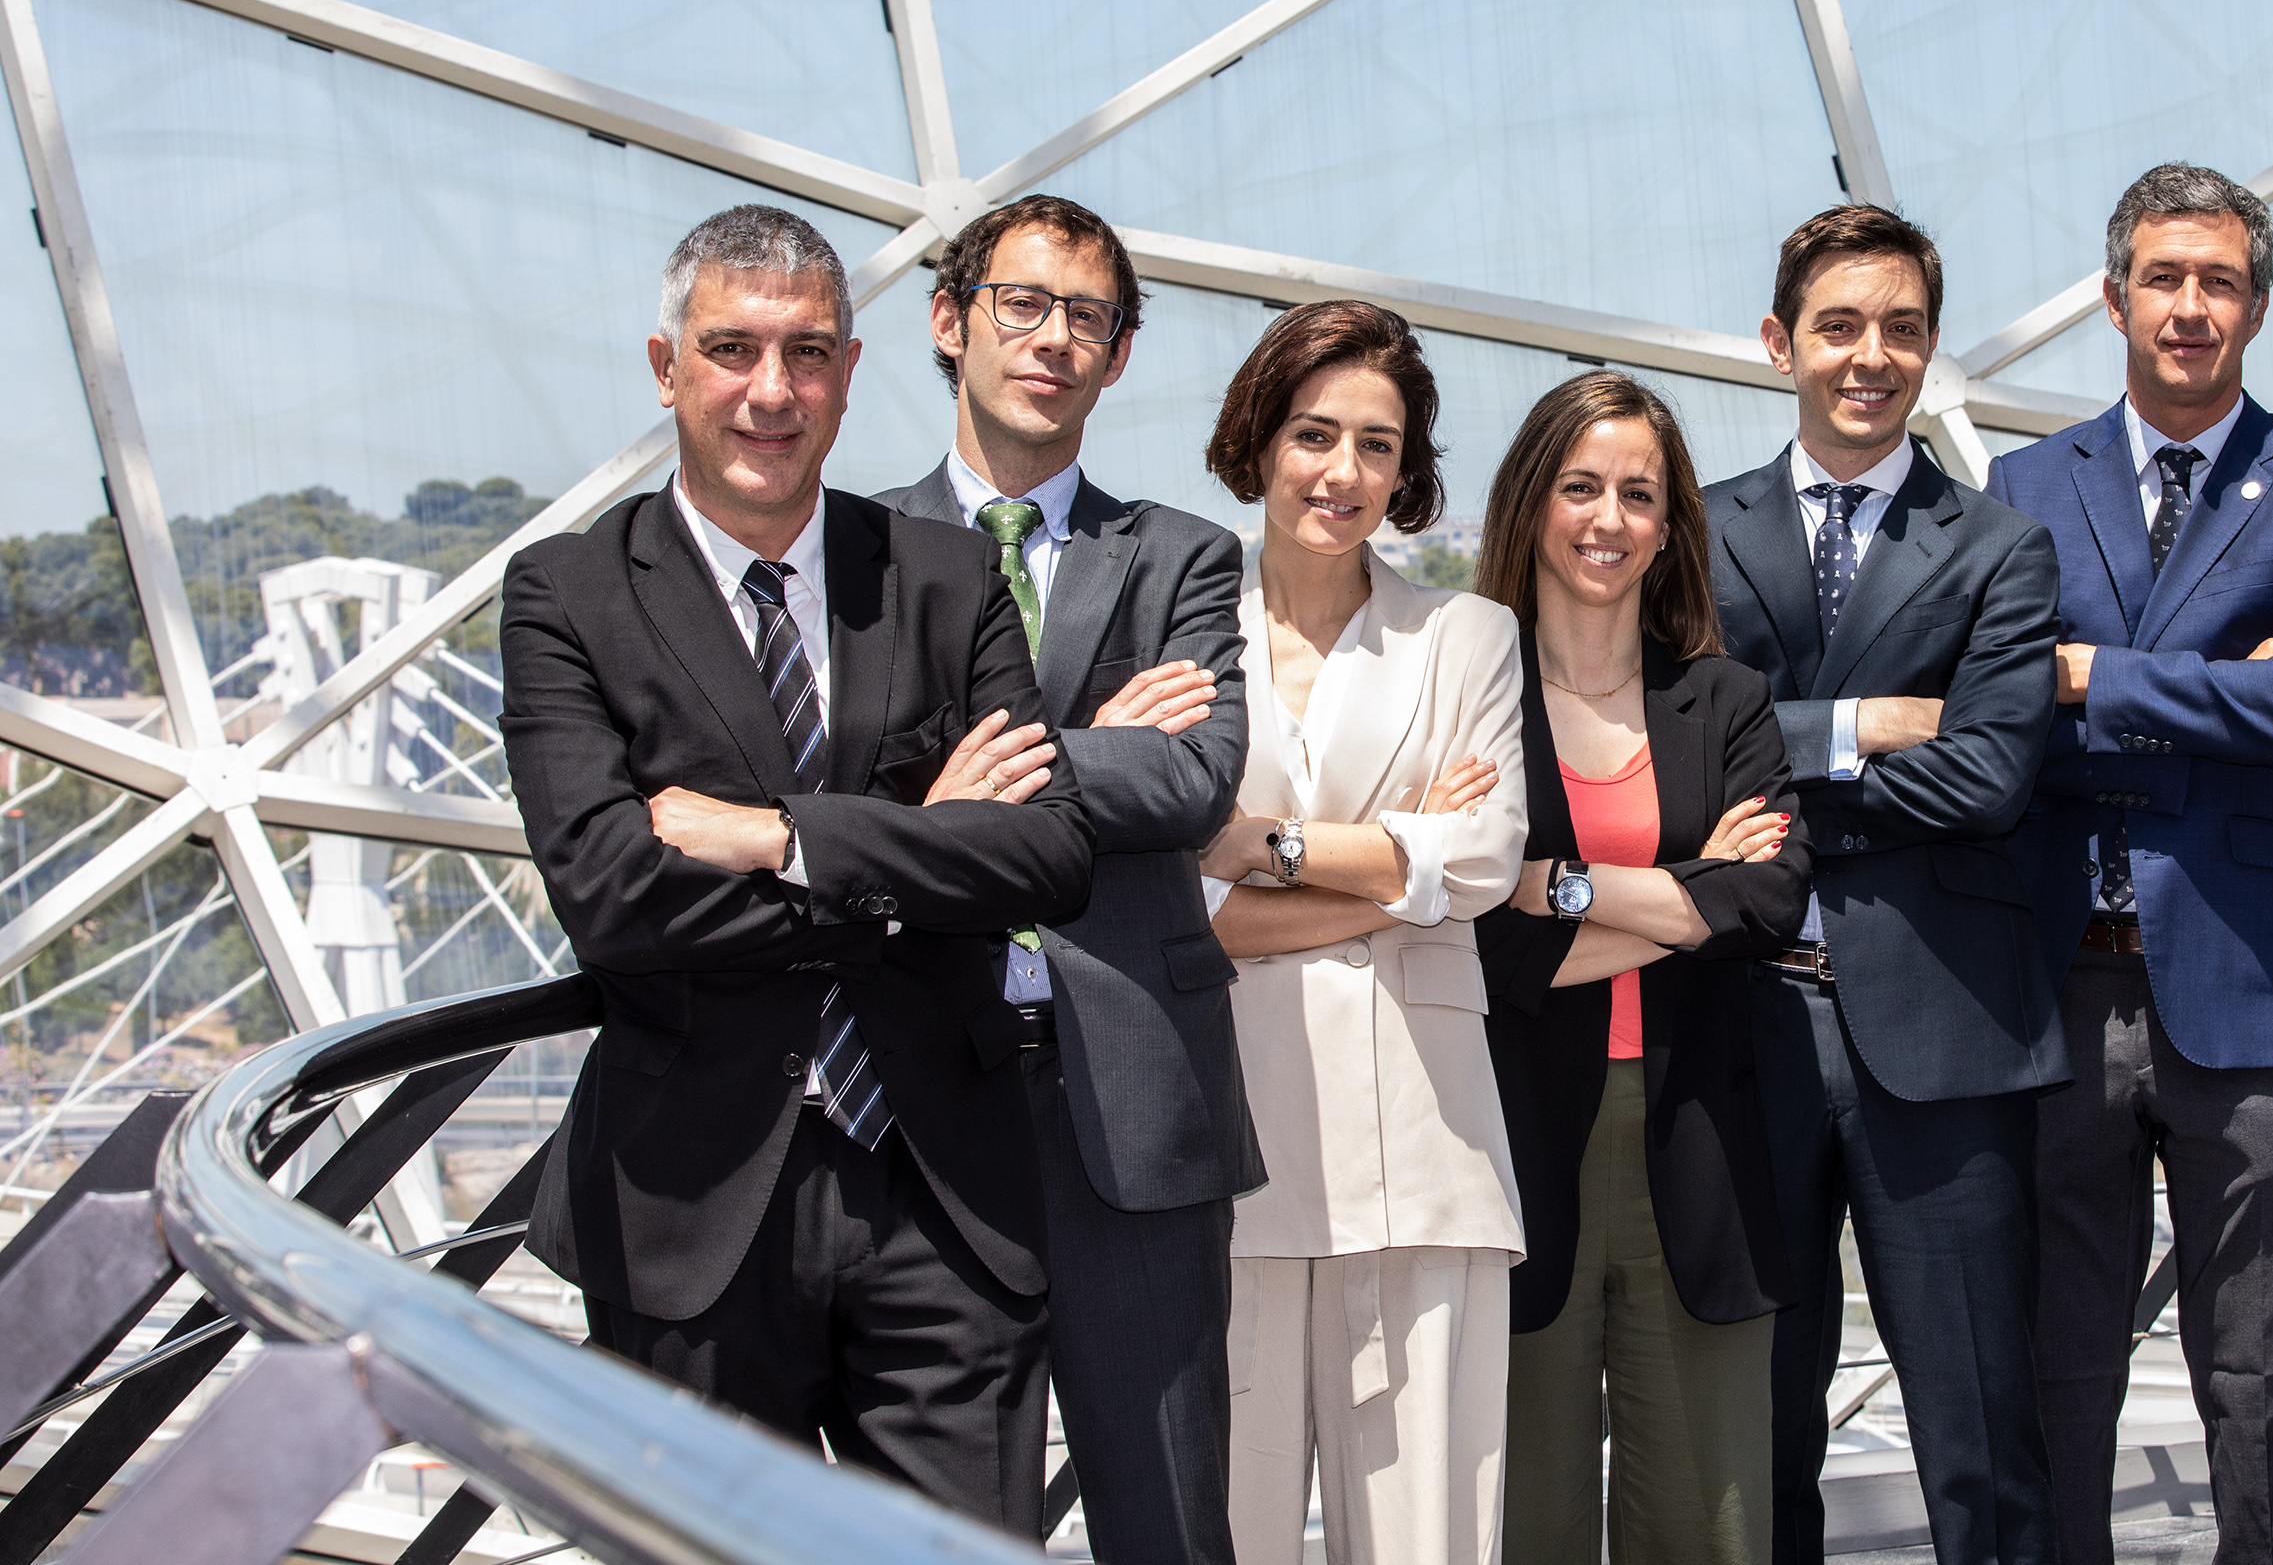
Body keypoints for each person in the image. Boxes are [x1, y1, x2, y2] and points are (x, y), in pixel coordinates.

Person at [501, 205, 1096, 1526]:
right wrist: (921, 843)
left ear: (849, 367)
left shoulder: (945, 576)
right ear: (666, 366)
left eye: (808, 353)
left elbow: (1050, 856)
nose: (772, 390)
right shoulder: (569, 593)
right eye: (733, 349)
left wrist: (783, 835)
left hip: (945, 1199)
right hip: (687, 1209)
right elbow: (611, 893)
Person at [1982, 165, 2273, 1565]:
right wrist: (2217, 689)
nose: (2190, 306)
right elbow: (2008, 704)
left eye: (2218, 281)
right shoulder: (2024, 483)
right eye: (2164, 278)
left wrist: (2102, 676)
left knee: (2255, 1373)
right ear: (2113, 298)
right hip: (2064, 981)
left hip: (2249, 984)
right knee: (2061, 1360)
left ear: (2255, 304)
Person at [873, 194, 1258, 1565]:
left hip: (1137, 1097)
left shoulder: (1183, 551)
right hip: (918, 1100)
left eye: (1085, 315)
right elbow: (852, 790)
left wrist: (954, 780)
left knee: (1168, 1515)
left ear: (1121, 349)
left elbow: (1197, 779)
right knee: (941, 1526)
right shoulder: (857, 550)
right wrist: (1093, 742)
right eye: (1022, 303)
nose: (1052, 337)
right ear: (949, 319)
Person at [1707, 204, 2064, 1565]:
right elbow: (1685, 765)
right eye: (1840, 325)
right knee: (1756, 1434)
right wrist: (1858, 730)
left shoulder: (1997, 545)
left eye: (1901, 328)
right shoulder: (1694, 528)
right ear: (1777, 341)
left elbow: (1986, 780)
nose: (1871, 355)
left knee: (1980, 1432)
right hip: (1741, 1028)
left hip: (1948, 1033)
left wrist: (1773, 769)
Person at [1189, 299, 1530, 1565]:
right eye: (1313, 435)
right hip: (1225, 1132)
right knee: (1230, 1530)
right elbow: (1179, 905)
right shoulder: (1175, 630)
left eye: (1377, 446)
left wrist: (1264, 847)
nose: (1343, 474)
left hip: (1423, 1140)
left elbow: (1485, 857)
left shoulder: (1466, 635)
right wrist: (1397, 863)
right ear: (1258, 440)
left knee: (1428, 1537)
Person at [1474, 372, 1819, 1565]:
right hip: (1513, 1149)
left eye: (1636, 493)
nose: (1606, 518)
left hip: (1702, 1146)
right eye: (1579, 487)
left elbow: (1770, 898)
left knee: (1707, 1522)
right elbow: (1476, 932)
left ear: (1670, 526)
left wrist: (1561, 885)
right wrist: (1688, 902)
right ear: (1529, 504)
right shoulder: (1472, 698)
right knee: (1523, 1519)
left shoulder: (1723, 700)